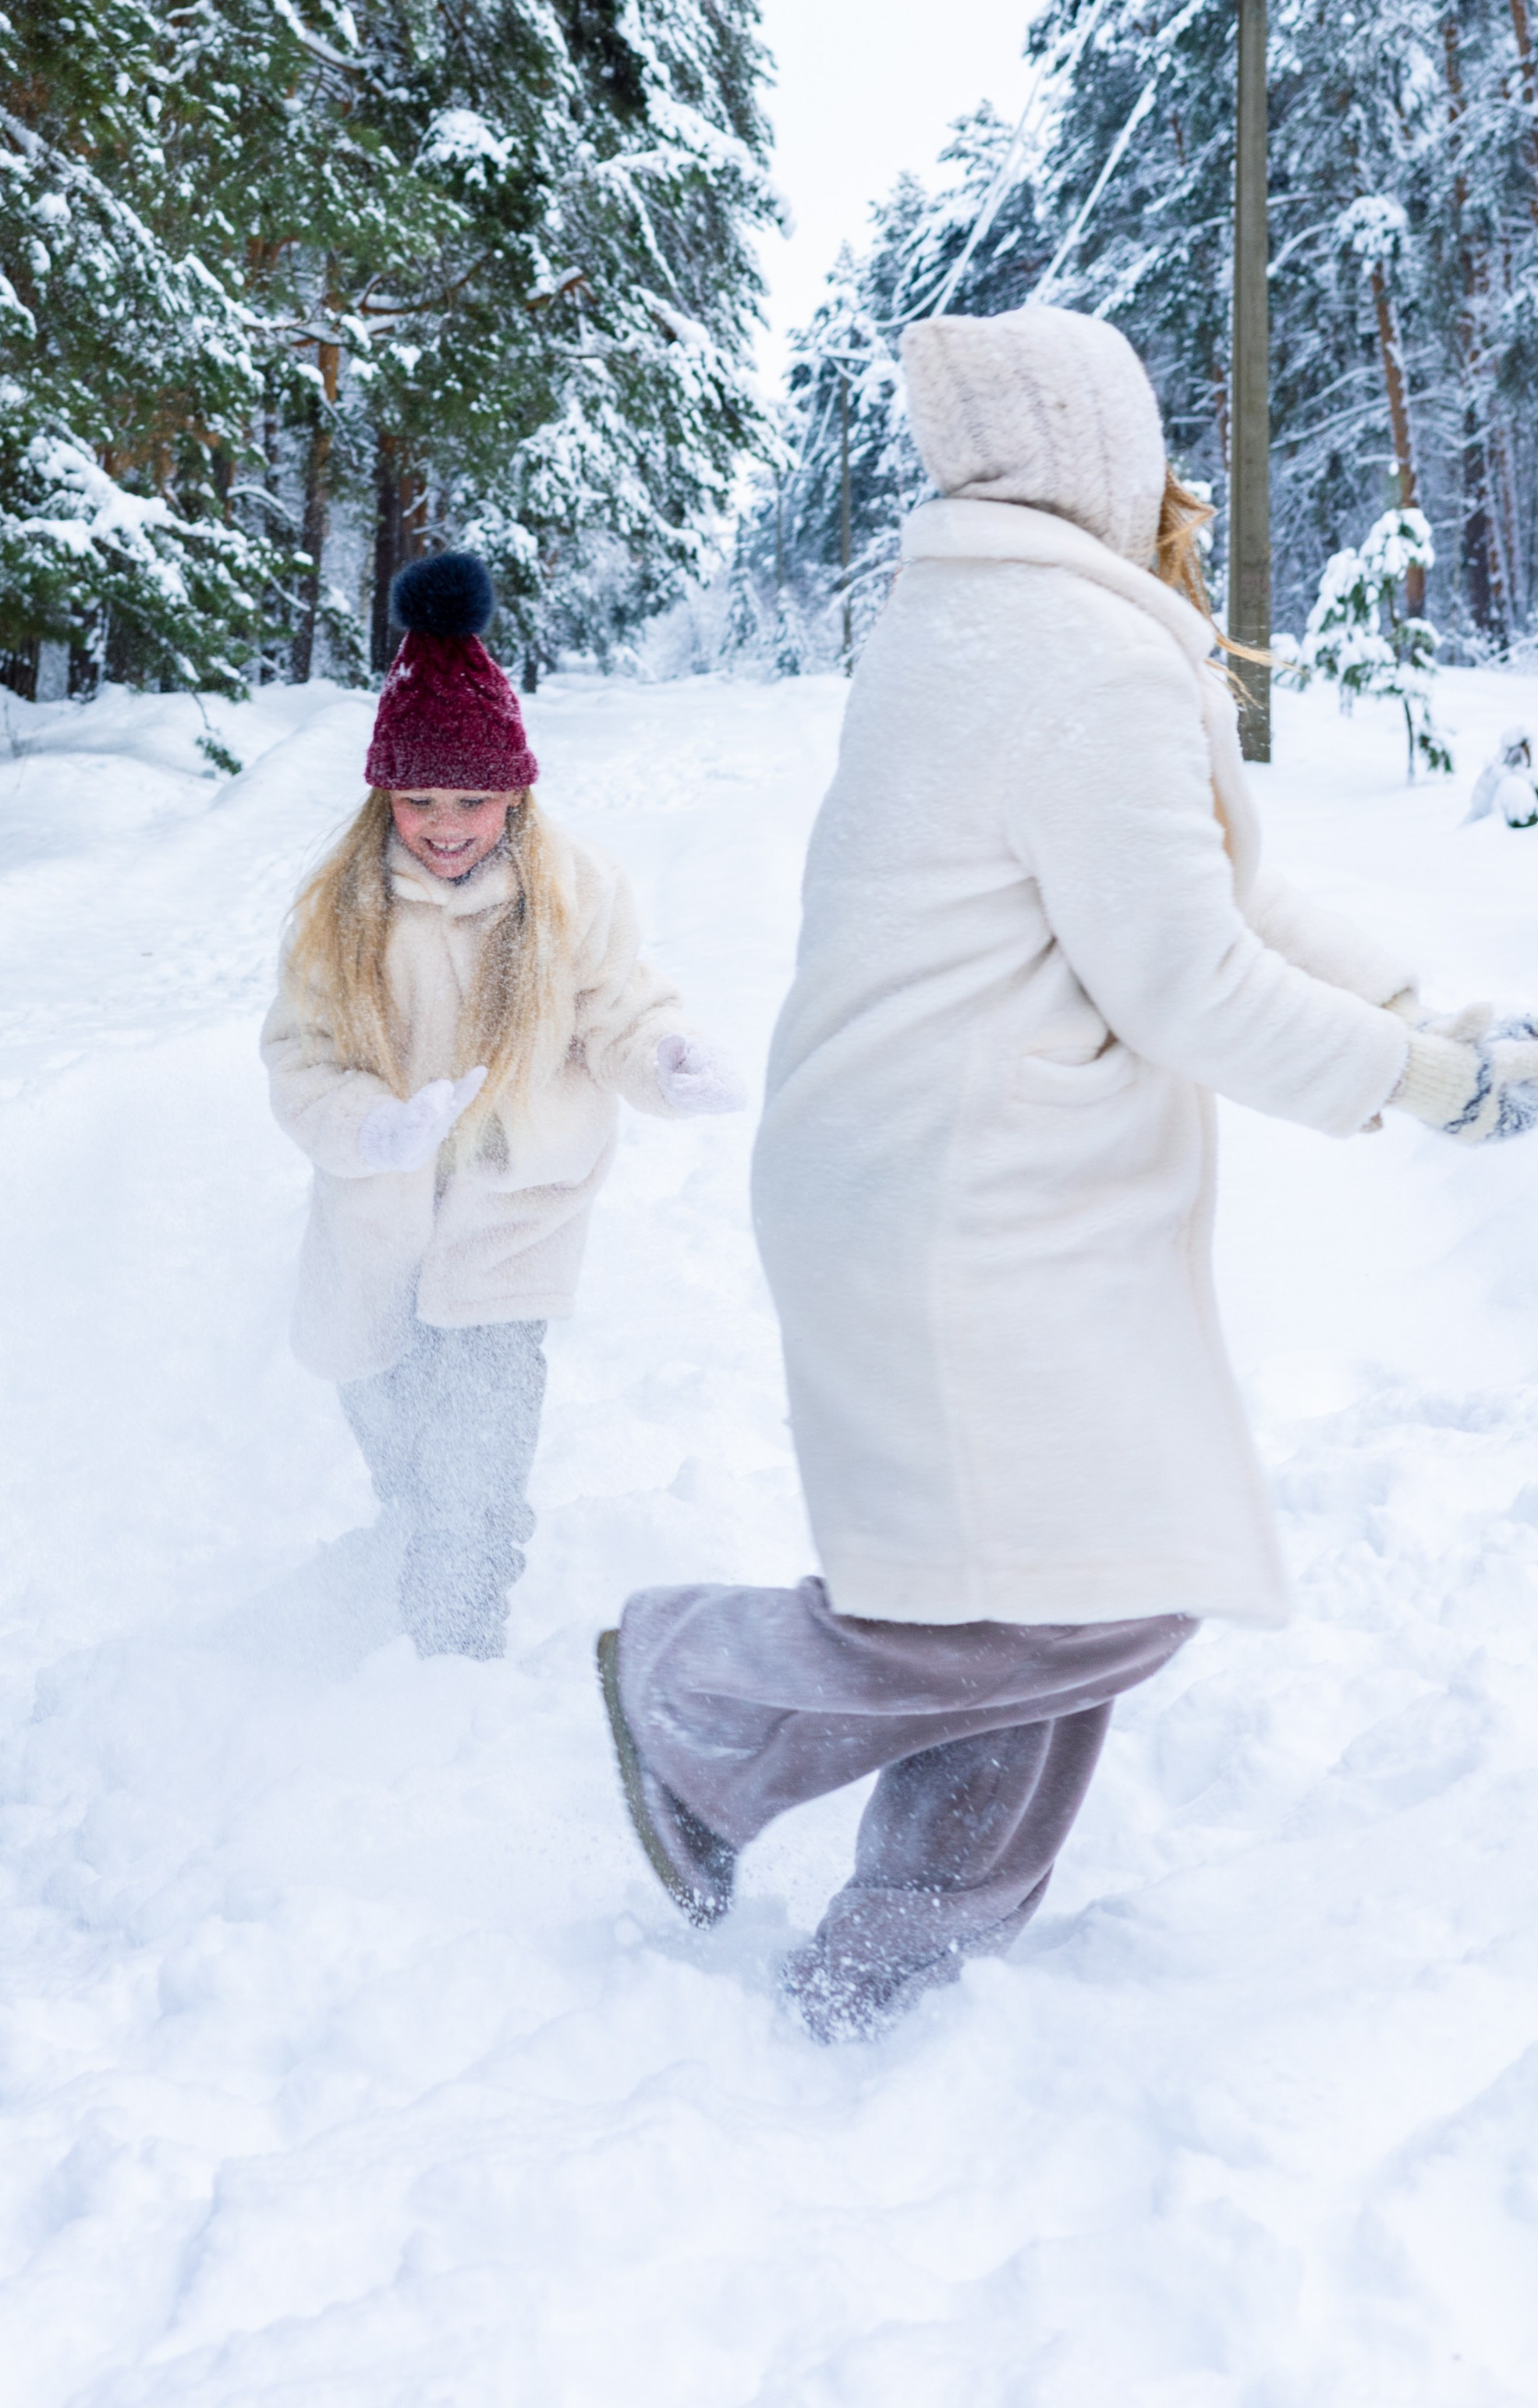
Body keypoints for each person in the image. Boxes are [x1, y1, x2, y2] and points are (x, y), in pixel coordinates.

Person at [597, 305, 1538, 2038]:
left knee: (1035, 1574)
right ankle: (693, 1690)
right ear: (1093, 451)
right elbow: (1185, 980)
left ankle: (905, 1958)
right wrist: (1419, 1083)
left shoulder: (993, 624)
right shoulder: (1070, 653)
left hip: (939, 1183)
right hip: (964, 1207)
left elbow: (1210, 897)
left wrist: (1425, 1006)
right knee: (1086, 1585)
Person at [264, 550, 743, 1661]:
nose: (445, 824)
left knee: (475, 1477)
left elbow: (621, 1009)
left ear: (515, 793)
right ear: (384, 791)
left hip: (508, 1227)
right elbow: (300, 1063)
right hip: (375, 1228)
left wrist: (666, 1059)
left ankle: (455, 1665)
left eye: (473, 800)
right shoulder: (339, 914)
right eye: (420, 799)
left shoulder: (576, 890)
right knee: (402, 1454)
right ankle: (411, 1573)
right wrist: (369, 1130)